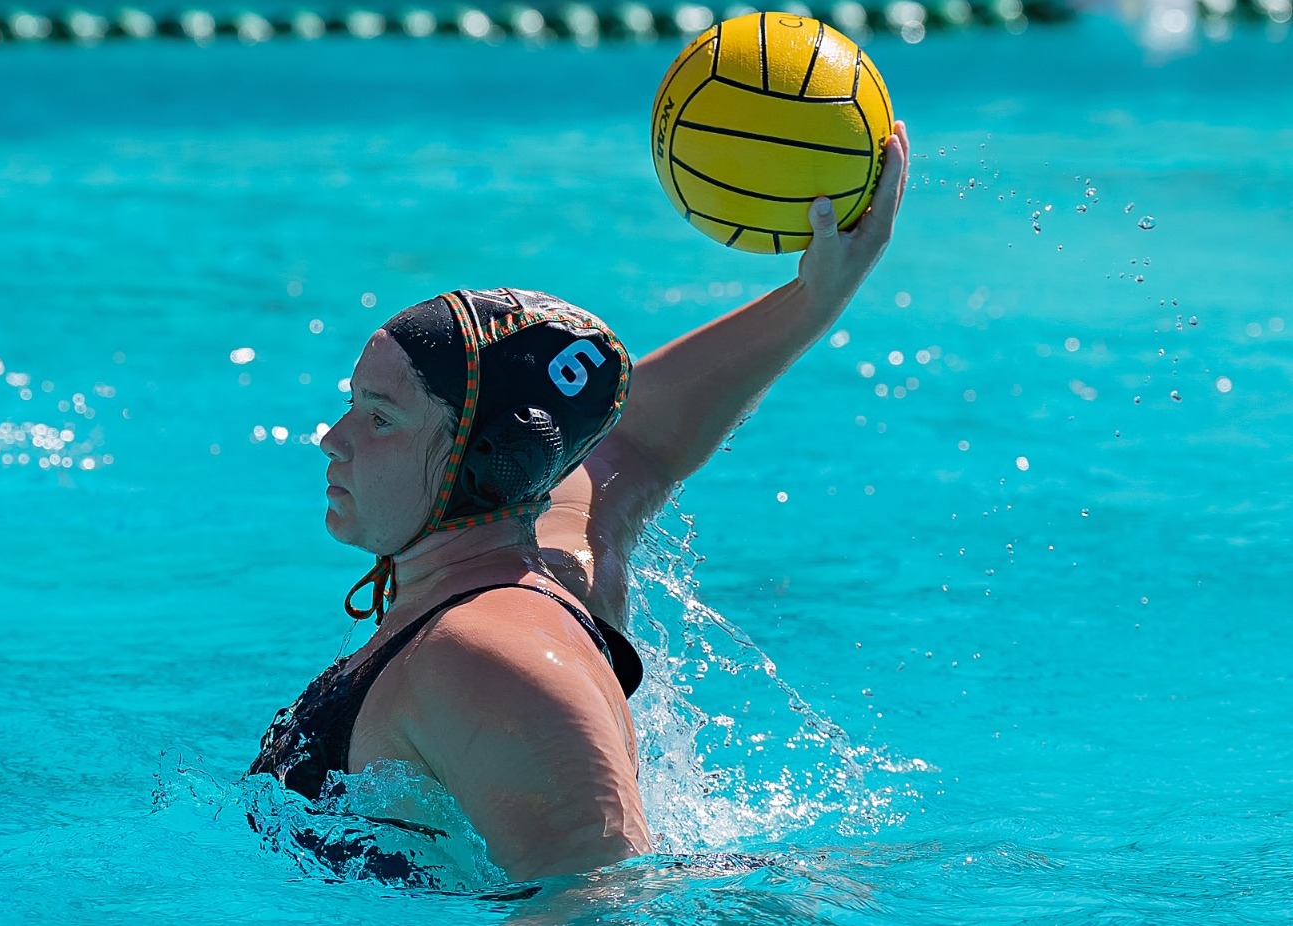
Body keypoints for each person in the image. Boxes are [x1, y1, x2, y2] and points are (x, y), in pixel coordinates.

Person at [249, 122, 911, 883]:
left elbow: (603, 901)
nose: (333, 440)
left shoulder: (489, 658)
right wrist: (815, 298)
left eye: (380, 418)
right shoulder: (549, 562)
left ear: (489, 460)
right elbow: (639, 443)